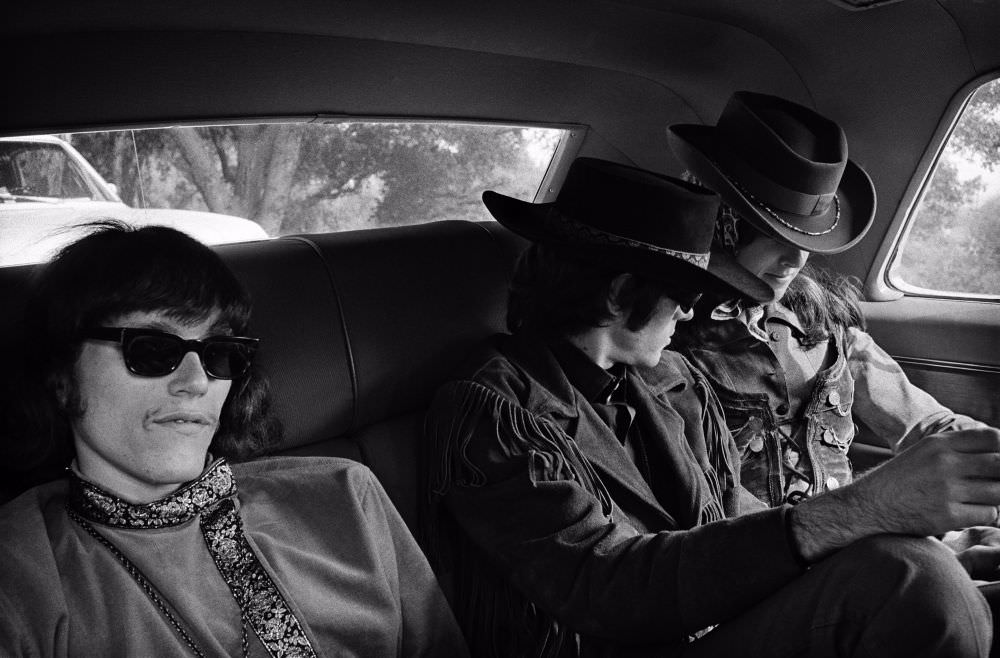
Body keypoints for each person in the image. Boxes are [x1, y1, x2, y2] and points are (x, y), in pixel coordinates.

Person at [423, 156, 998, 658]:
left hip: (705, 625)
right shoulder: (494, 410)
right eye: (683, 294)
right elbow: (606, 587)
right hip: (618, 644)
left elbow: (733, 513)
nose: (689, 312)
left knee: (921, 569)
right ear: (620, 294)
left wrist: (898, 538)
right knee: (909, 580)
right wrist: (865, 509)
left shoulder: (671, 379)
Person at [0, 222, 468, 657]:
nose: (197, 382)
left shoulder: (347, 494)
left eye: (219, 353)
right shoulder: (21, 573)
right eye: (152, 349)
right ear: (62, 378)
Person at [666, 92, 1000, 569]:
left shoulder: (824, 325)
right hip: (770, 566)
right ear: (720, 222)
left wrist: (986, 463)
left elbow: (928, 427)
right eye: (774, 234)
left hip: (865, 545)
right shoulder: (665, 347)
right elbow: (711, 512)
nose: (795, 259)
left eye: (805, 236)